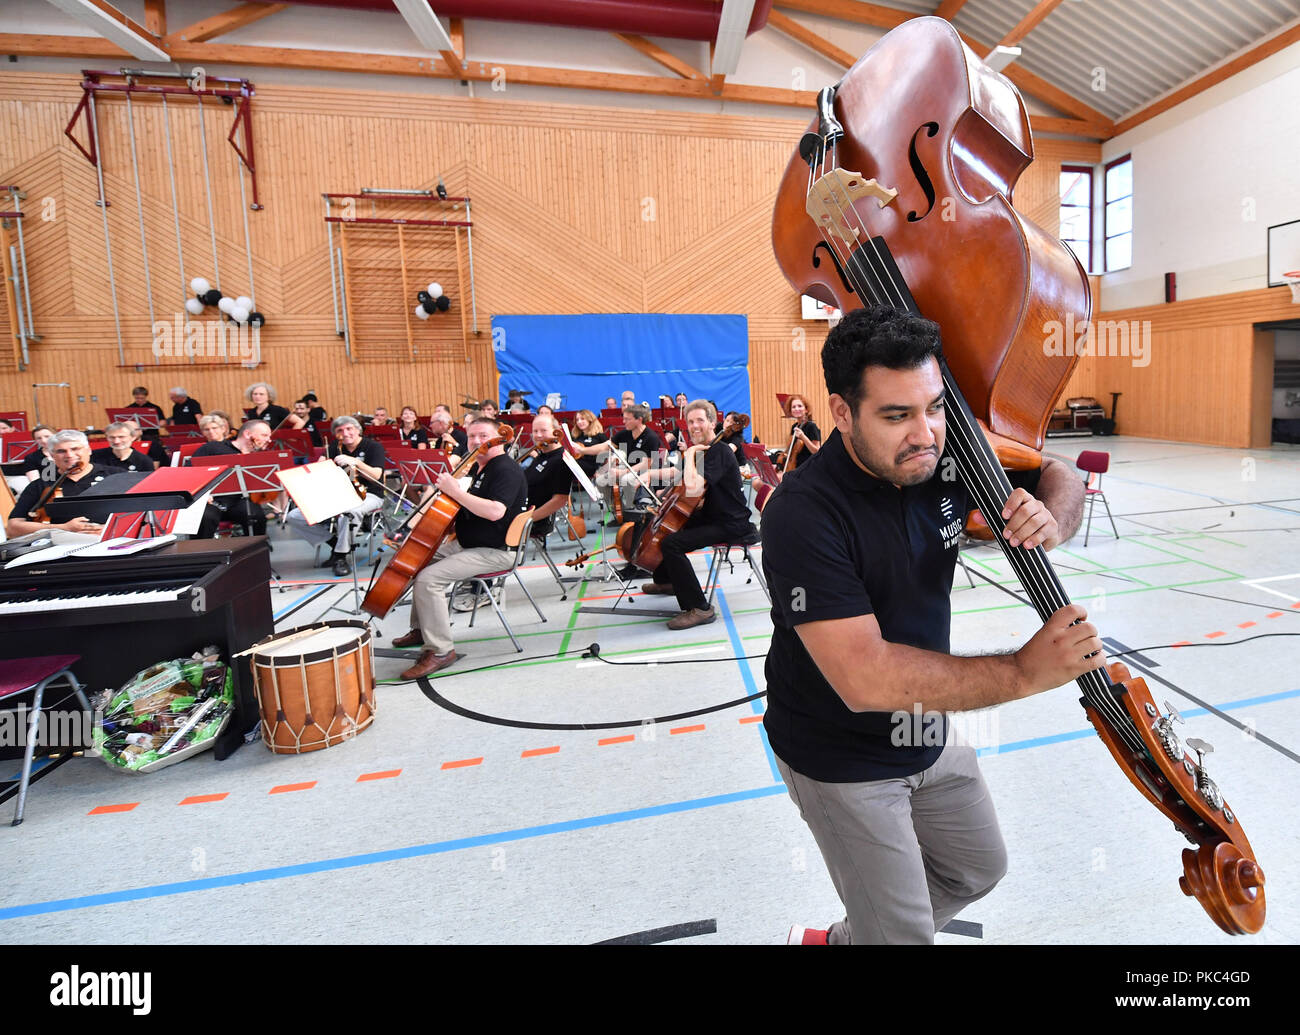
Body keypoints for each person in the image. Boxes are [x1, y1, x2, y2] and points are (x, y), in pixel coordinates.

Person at [760, 305, 1097, 946]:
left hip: (926, 729)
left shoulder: (941, 456)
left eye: (936, 407)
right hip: (841, 754)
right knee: (905, 933)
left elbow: (1056, 471)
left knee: (977, 868)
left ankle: (841, 942)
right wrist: (1025, 671)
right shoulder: (803, 514)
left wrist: (1050, 514)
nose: (926, 433)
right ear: (841, 412)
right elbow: (866, 677)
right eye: (896, 416)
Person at [390, 416, 528, 678]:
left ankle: (441, 651)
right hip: (469, 543)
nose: (477, 441)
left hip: (495, 551)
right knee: (417, 558)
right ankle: (422, 628)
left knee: (428, 579)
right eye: (472, 436)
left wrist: (455, 491)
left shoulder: (505, 469)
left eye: (483, 436)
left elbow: (495, 512)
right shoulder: (480, 467)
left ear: (499, 435)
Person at [639, 399, 755, 630]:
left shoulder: (718, 451)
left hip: (731, 522)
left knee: (672, 543)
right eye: (690, 422)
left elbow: (693, 487)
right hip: (712, 515)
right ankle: (667, 581)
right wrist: (655, 479)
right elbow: (682, 476)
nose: (694, 426)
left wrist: (690, 451)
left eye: (700, 420)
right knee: (669, 528)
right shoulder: (705, 451)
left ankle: (700, 608)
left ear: (712, 423)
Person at [284, 416, 385, 576]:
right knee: (294, 516)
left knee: (350, 512)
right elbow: (319, 472)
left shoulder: (373, 446)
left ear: (357, 429)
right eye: (340, 431)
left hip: (369, 494)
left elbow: (377, 475)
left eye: (349, 428)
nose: (345, 433)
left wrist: (356, 462)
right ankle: (336, 545)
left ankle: (340, 557)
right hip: (339, 495)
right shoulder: (333, 447)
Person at [6, 430, 115, 538]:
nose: (69, 455)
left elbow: (131, 513)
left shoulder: (115, 475)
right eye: (61, 451)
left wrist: (107, 528)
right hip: (60, 545)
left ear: (89, 450)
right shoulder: (40, 485)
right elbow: (13, 528)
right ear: (52, 456)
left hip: (112, 540)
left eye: (75, 449)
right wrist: (64, 528)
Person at [192, 419, 273, 539]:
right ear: (247, 434)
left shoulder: (257, 457)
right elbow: (190, 472)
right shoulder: (213, 447)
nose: (269, 440)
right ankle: (202, 555)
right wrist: (202, 494)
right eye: (264, 435)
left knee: (257, 516)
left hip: (238, 501)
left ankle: (253, 552)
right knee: (205, 518)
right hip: (210, 501)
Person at [521, 413, 573, 539]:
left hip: (533, 520)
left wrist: (527, 519)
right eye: (535, 431)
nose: (538, 435)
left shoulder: (561, 460)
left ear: (556, 432)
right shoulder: (542, 454)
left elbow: (560, 500)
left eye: (543, 431)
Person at [91, 422, 155, 473]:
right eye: (112, 437)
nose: (116, 441)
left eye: (121, 437)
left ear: (133, 437)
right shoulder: (94, 456)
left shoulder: (144, 460)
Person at [784, 394, 822, 472]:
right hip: (795, 466)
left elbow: (817, 452)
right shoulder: (794, 427)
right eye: (793, 407)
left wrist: (803, 437)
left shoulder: (811, 426)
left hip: (808, 468)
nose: (796, 409)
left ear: (806, 409)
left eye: (800, 406)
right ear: (791, 411)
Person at [569, 409, 608, 483]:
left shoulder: (599, 436)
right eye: (577, 420)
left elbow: (608, 454)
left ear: (590, 420)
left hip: (593, 466)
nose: (579, 422)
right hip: (576, 464)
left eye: (582, 419)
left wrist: (602, 470)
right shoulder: (574, 436)